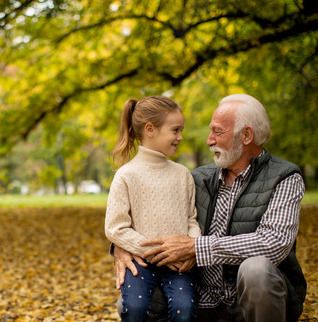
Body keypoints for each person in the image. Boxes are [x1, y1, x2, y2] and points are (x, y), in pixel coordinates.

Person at [113, 94, 307, 322]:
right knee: (129, 300)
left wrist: (197, 247)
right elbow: (153, 213)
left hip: (247, 304)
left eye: (218, 131)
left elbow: (274, 243)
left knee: (256, 271)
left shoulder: (285, 177)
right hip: (199, 298)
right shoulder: (196, 178)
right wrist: (120, 246)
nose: (209, 140)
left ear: (246, 135)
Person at [105, 96, 202, 322]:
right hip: (140, 261)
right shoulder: (126, 175)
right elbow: (115, 228)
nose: (180, 137)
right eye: (175, 130)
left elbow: (191, 219)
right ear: (150, 129)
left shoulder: (182, 174)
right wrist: (160, 253)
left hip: (179, 263)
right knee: (135, 308)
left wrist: (193, 248)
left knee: (184, 310)